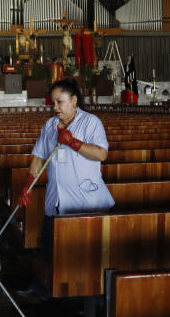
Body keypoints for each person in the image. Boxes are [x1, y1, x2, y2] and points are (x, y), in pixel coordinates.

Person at [16, 78, 112, 299]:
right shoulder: (50, 126)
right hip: (57, 199)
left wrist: (74, 143)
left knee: (86, 252)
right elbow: (39, 157)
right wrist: (27, 186)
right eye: (53, 103)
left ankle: (93, 297)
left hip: (85, 201)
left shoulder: (91, 123)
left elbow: (101, 154)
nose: (55, 107)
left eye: (60, 102)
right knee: (49, 249)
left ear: (74, 100)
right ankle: (43, 287)